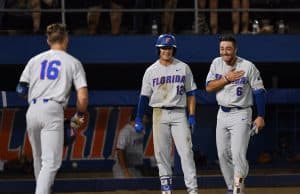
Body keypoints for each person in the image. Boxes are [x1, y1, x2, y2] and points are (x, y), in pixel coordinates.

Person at [16, 23, 88, 194]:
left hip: (32, 109)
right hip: (53, 109)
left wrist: (37, 97)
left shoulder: (34, 60)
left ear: (48, 40)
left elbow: (20, 89)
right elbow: (83, 98)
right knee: (51, 162)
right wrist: (77, 120)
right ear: (66, 39)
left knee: (39, 160)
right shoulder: (72, 62)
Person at [134, 34, 198, 194]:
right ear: (158, 49)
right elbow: (144, 97)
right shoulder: (151, 71)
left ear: (173, 49)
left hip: (178, 113)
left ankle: (192, 189)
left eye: (169, 48)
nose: (166, 51)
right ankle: (166, 189)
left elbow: (191, 93)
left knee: (186, 152)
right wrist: (138, 117)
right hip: (159, 113)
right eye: (163, 48)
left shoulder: (183, 67)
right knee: (162, 154)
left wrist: (191, 116)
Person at [205, 34, 266, 194]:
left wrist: (261, 115)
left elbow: (259, 92)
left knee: (238, 154)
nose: (225, 52)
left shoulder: (247, 66)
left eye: (228, 49)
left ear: (235, 49)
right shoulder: (216, 63)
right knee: (223, 154)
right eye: (222, 49)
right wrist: (226, 78)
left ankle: (237, 189)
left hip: (241, 113)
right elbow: (209, 87)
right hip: (222, 113)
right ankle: (232, 188)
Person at [112, 109, 149, 178]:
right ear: (138, 118)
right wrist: (125, 171)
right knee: (125, 188)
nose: (147, 120)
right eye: (145, 117)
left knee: (142, 188)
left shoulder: (142, 129)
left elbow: (137, 150)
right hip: (122, 168)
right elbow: (120, 151)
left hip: (135, 167)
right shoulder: (126, 132)